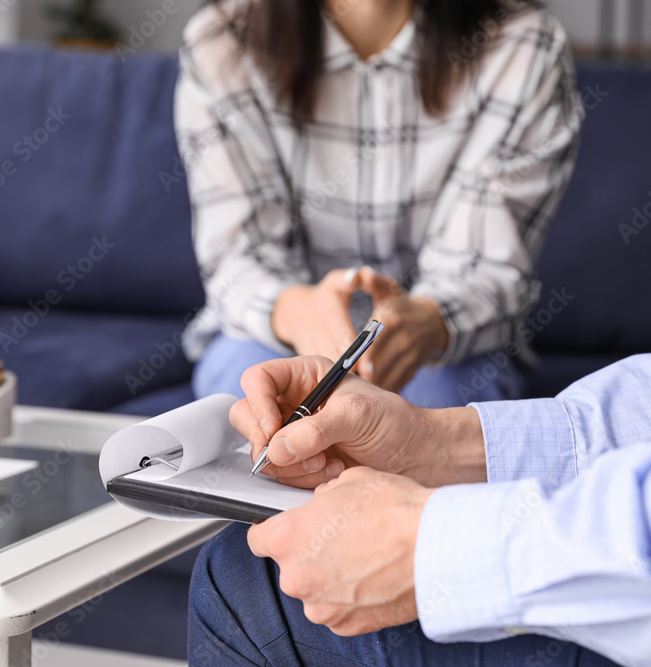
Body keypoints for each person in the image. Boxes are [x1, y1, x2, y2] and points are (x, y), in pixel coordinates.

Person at [185, 17, 651, 667]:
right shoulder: (226, 36)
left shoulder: (518, 42)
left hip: (443, 340)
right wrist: (435, 442)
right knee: (250, 391)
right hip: (280, 326)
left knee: (244, 577)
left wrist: (437, 548)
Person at [175, 0, 582, 408]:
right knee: (248, 396)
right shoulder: (223, 41)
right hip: (269, 331)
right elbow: (238, 255)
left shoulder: (525, 47)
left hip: (446, 348)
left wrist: (423, 322)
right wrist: (301, 314)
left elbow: (482, 265)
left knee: (428, 420)